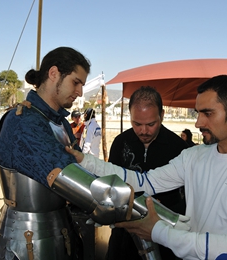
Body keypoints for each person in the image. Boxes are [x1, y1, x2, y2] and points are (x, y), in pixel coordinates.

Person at [66, 75, 227, 260]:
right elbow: (145, 181)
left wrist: (159, 231)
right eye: (198, 113)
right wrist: (85, 161)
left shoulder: (180, 148)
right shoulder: (194, 156)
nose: (198, 123)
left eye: (208, 113)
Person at [0, 46, 91, 259]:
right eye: (76, 82)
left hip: (63, 227)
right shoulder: (23, 121)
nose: (80, 92)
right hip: (26, 238)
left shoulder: (60, 122)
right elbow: (70, 176)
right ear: (54, 73)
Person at [106, 86, 188, 260]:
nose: (143, 131)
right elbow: (110, 184)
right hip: (125, 236)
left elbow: (187, 198)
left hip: (165, 236)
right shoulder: (121, 143)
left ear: (162, 115)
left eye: (151, 124)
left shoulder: (179, 148)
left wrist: (164, 208)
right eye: (137, 124)